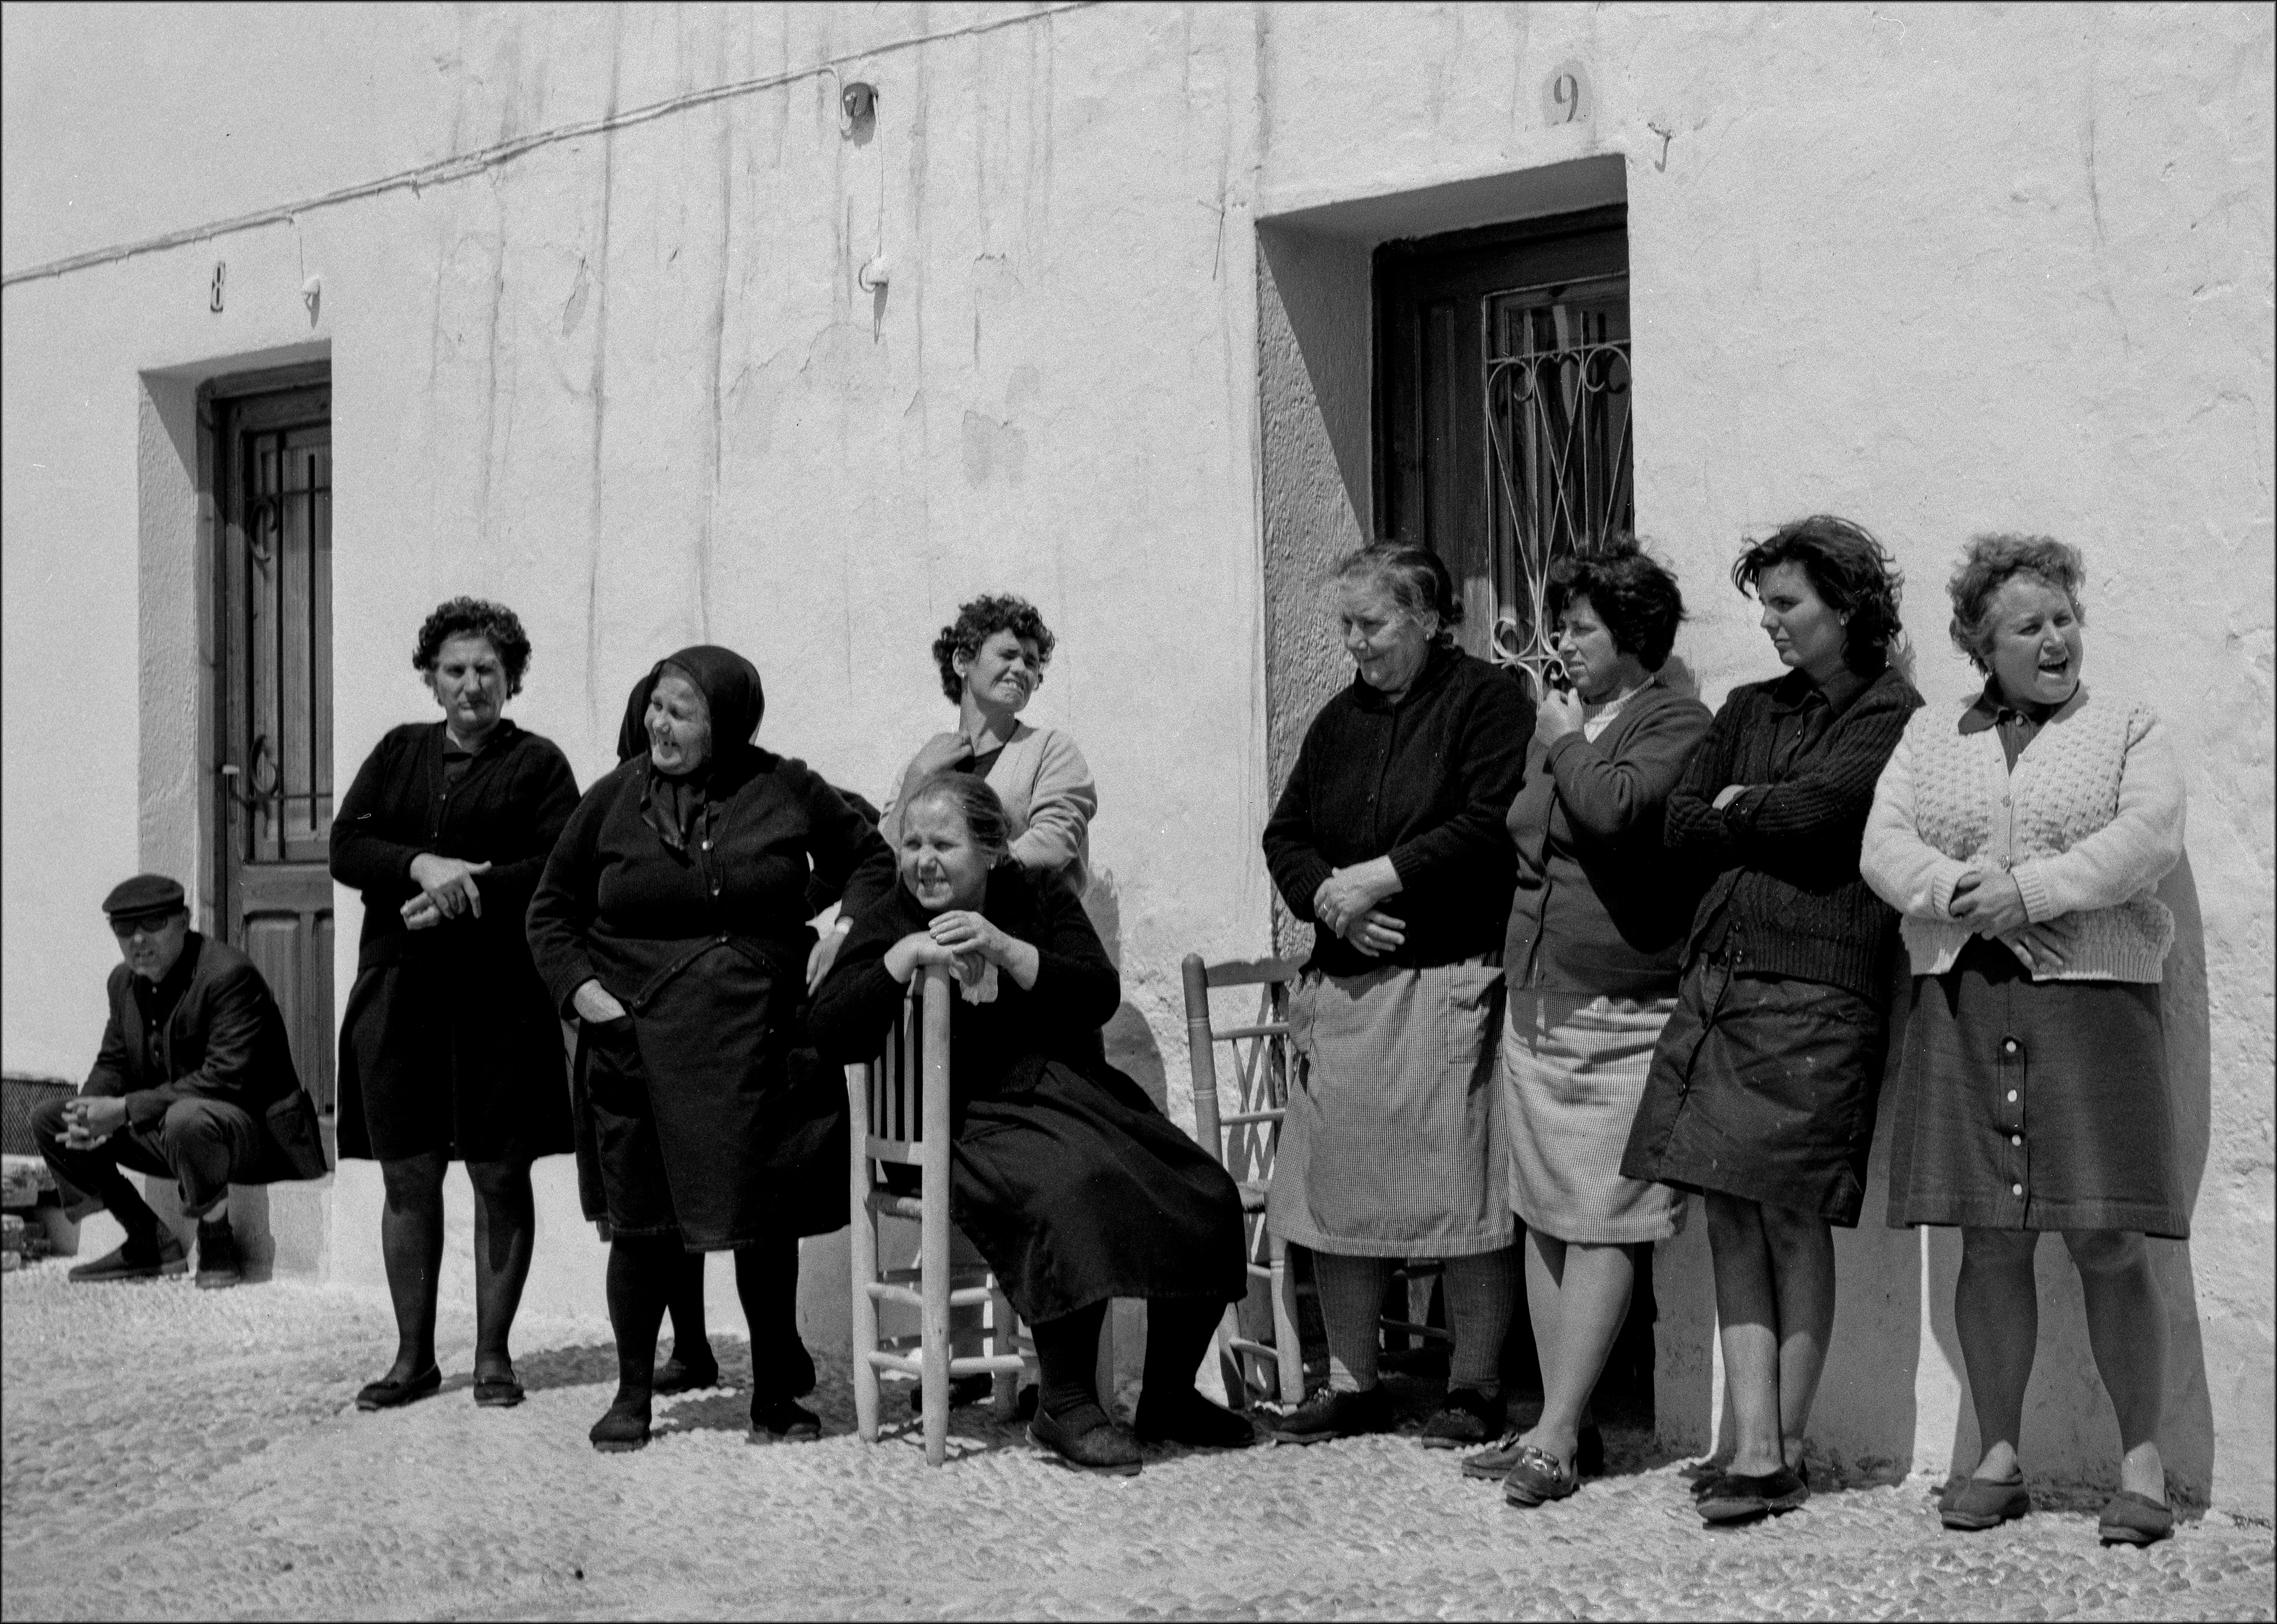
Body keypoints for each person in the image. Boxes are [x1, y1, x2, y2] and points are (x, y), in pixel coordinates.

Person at [1862, 534, 2188, 1547]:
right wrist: (1970, 897)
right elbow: (1885, 844)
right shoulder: (1929, 733)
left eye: (2064, 617)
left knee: (2107, 1232)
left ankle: (2142, 1469)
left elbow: (2147, 837)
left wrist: (2033, 888)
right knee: (1988, 1236)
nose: (2056, 638)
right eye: (2029, 625)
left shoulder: (2126, 725)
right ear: (1980, 644)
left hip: (2093, 1004)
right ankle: (1998, 1453)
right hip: (1965, 996)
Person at [811, 773, 1250, 1474]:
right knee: (1072, 1188)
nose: (923, 860)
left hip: (1066, 1098)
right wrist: (899, 961)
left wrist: (1006, 948)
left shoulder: (1040, 896)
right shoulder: (893, 915)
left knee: (1204, 1189)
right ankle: (1065, 1405)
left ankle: (1167, 1393)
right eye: (912, 843)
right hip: (952, 1126)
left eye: (942, 844)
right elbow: (831, 1030)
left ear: (992, 850)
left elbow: (1098, 993)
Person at [1621, 515, 1922, 1524]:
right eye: (1766, 602)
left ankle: (1778, 1447)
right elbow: (1678, 819)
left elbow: (1827, 814)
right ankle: (1755, 1442)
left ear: (1847, 606)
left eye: (1788, 602)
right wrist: (1755, 806)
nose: (1771, 620)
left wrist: (1747, 807)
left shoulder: (1892, 712)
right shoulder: (1749, 704)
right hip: (1723, 978)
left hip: (1818, 988)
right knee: (1729, 1206)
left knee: (1788, 1206)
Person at [526, 645, 895, 1451]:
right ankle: (631, 1393)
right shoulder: (612, 799)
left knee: (764, 1224)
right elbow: (549, 910)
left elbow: (869, 857)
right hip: (638, 1042)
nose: (660, 723)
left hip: (757, 1037)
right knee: (642, 1225)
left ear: (725, 724)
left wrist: (841, 925)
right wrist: (586, 996)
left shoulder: (783, 784)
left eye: (681, 711)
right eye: (656, 705)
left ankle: (773, 1395)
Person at [1259, 541, 1531, 1448]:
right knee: (1339, 1185)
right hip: (1348, 985)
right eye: (1345, 625)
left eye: (1370, 624)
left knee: (1464, 1185)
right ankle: (1352, 1383)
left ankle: (1476, 1385)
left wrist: (1380, 877)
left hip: (1445, 978)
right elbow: (1286, 833)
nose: (1354, 644)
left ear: (1427, 617)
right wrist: (1333, 901)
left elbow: (1492, 824)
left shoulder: (1489, 702)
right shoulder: (1338, 720)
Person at [1470, 544, 1712, 1506]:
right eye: (1558, 625)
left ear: (1635, 636)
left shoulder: (1675, 720)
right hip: (1537, 993)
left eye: (1578, 627)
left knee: (1605, 1211)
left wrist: (1566, 739)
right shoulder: (1559, 720)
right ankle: (1551, 1421)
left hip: (1623, 1001)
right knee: (1543, 1205)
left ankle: (1564, 1431)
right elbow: (1526, 829)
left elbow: (1611, 811)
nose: (1560, 643)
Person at [331, 598, 581, 1411]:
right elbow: (347, 845)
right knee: (409, 1170)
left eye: (487, 670)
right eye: (455, 669)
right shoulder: (398, 751)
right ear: (430, 678)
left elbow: (559, 864)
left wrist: (469, 888)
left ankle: (493, 1354)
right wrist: (421, 864)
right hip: (399, 987)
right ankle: (412, 1357)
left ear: (511, 679)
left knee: (499, 1170)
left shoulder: (539, 764)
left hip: (498, 995)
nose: (471, 684)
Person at [33, 875, 329, 1288]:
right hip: (178, 1133)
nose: (138, 939)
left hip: (257, 1139)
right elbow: (113, 1062)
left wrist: (122, 1110)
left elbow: (225, 1079)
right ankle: (146, 1238)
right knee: (54, 1118)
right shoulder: (124, 983)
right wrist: (88, 1113)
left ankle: (216, 1239)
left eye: (153, 923)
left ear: (185, 919)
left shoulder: (228, 975)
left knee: (186, 1118)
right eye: (124, 928)